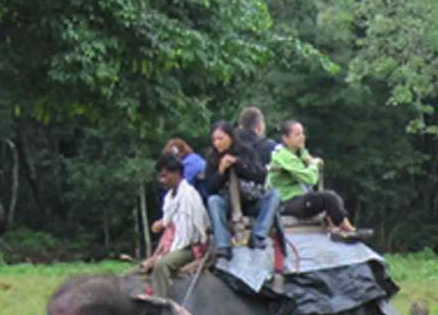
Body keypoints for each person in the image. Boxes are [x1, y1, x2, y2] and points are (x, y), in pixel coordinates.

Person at [267, 120, 367, 240]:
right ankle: (347, 228)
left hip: (298, 198)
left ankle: (337, 228)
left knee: (331, 197)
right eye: (297, 134)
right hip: (286, 202)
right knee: (328, 198)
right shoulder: (283, 156)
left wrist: (309, 160)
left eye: (302, 133)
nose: (302, 137)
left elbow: (307, 158)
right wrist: (313, 164)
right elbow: (310, 179)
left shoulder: (298, 151)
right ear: (286, 138)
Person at [139, 154, 208, 297]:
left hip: (188, 248)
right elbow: (170, 225)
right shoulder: (170, 198)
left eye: (165, 176)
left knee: (161, 266)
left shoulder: (189, 196)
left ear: (176, 174)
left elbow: (188, 235)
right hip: (174, 245)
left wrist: (160, 258)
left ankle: (160, 304)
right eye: (160, 177)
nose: (162, 180)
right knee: (137, 271)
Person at [200, 120, 270, 259]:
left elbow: (261, 176)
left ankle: (259, 236)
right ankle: (223, 245)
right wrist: (220, 171)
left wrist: (239, 164)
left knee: (274, 195)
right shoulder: (212, 157)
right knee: (213, 201)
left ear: (231, 137)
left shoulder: (246, 150)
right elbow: (209, 189)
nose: (217, 143)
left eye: (221, 138)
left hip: (250, 200)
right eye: (214, 139)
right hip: (227, 202)